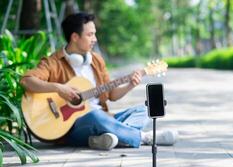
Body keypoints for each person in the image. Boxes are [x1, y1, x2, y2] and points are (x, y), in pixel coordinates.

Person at [20, 12, 177, 150]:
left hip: (103, 118)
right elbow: (26, 81)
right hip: (72, 128)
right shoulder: (53, 62)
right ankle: (144, 138)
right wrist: (59, 88)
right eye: (90, 35)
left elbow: (112, 95)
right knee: (95, 115)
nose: (95, 39)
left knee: (144, 110)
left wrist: (130, 85)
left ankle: (104, 138)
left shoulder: (96, 60)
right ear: (75, 37)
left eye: (94, 34)